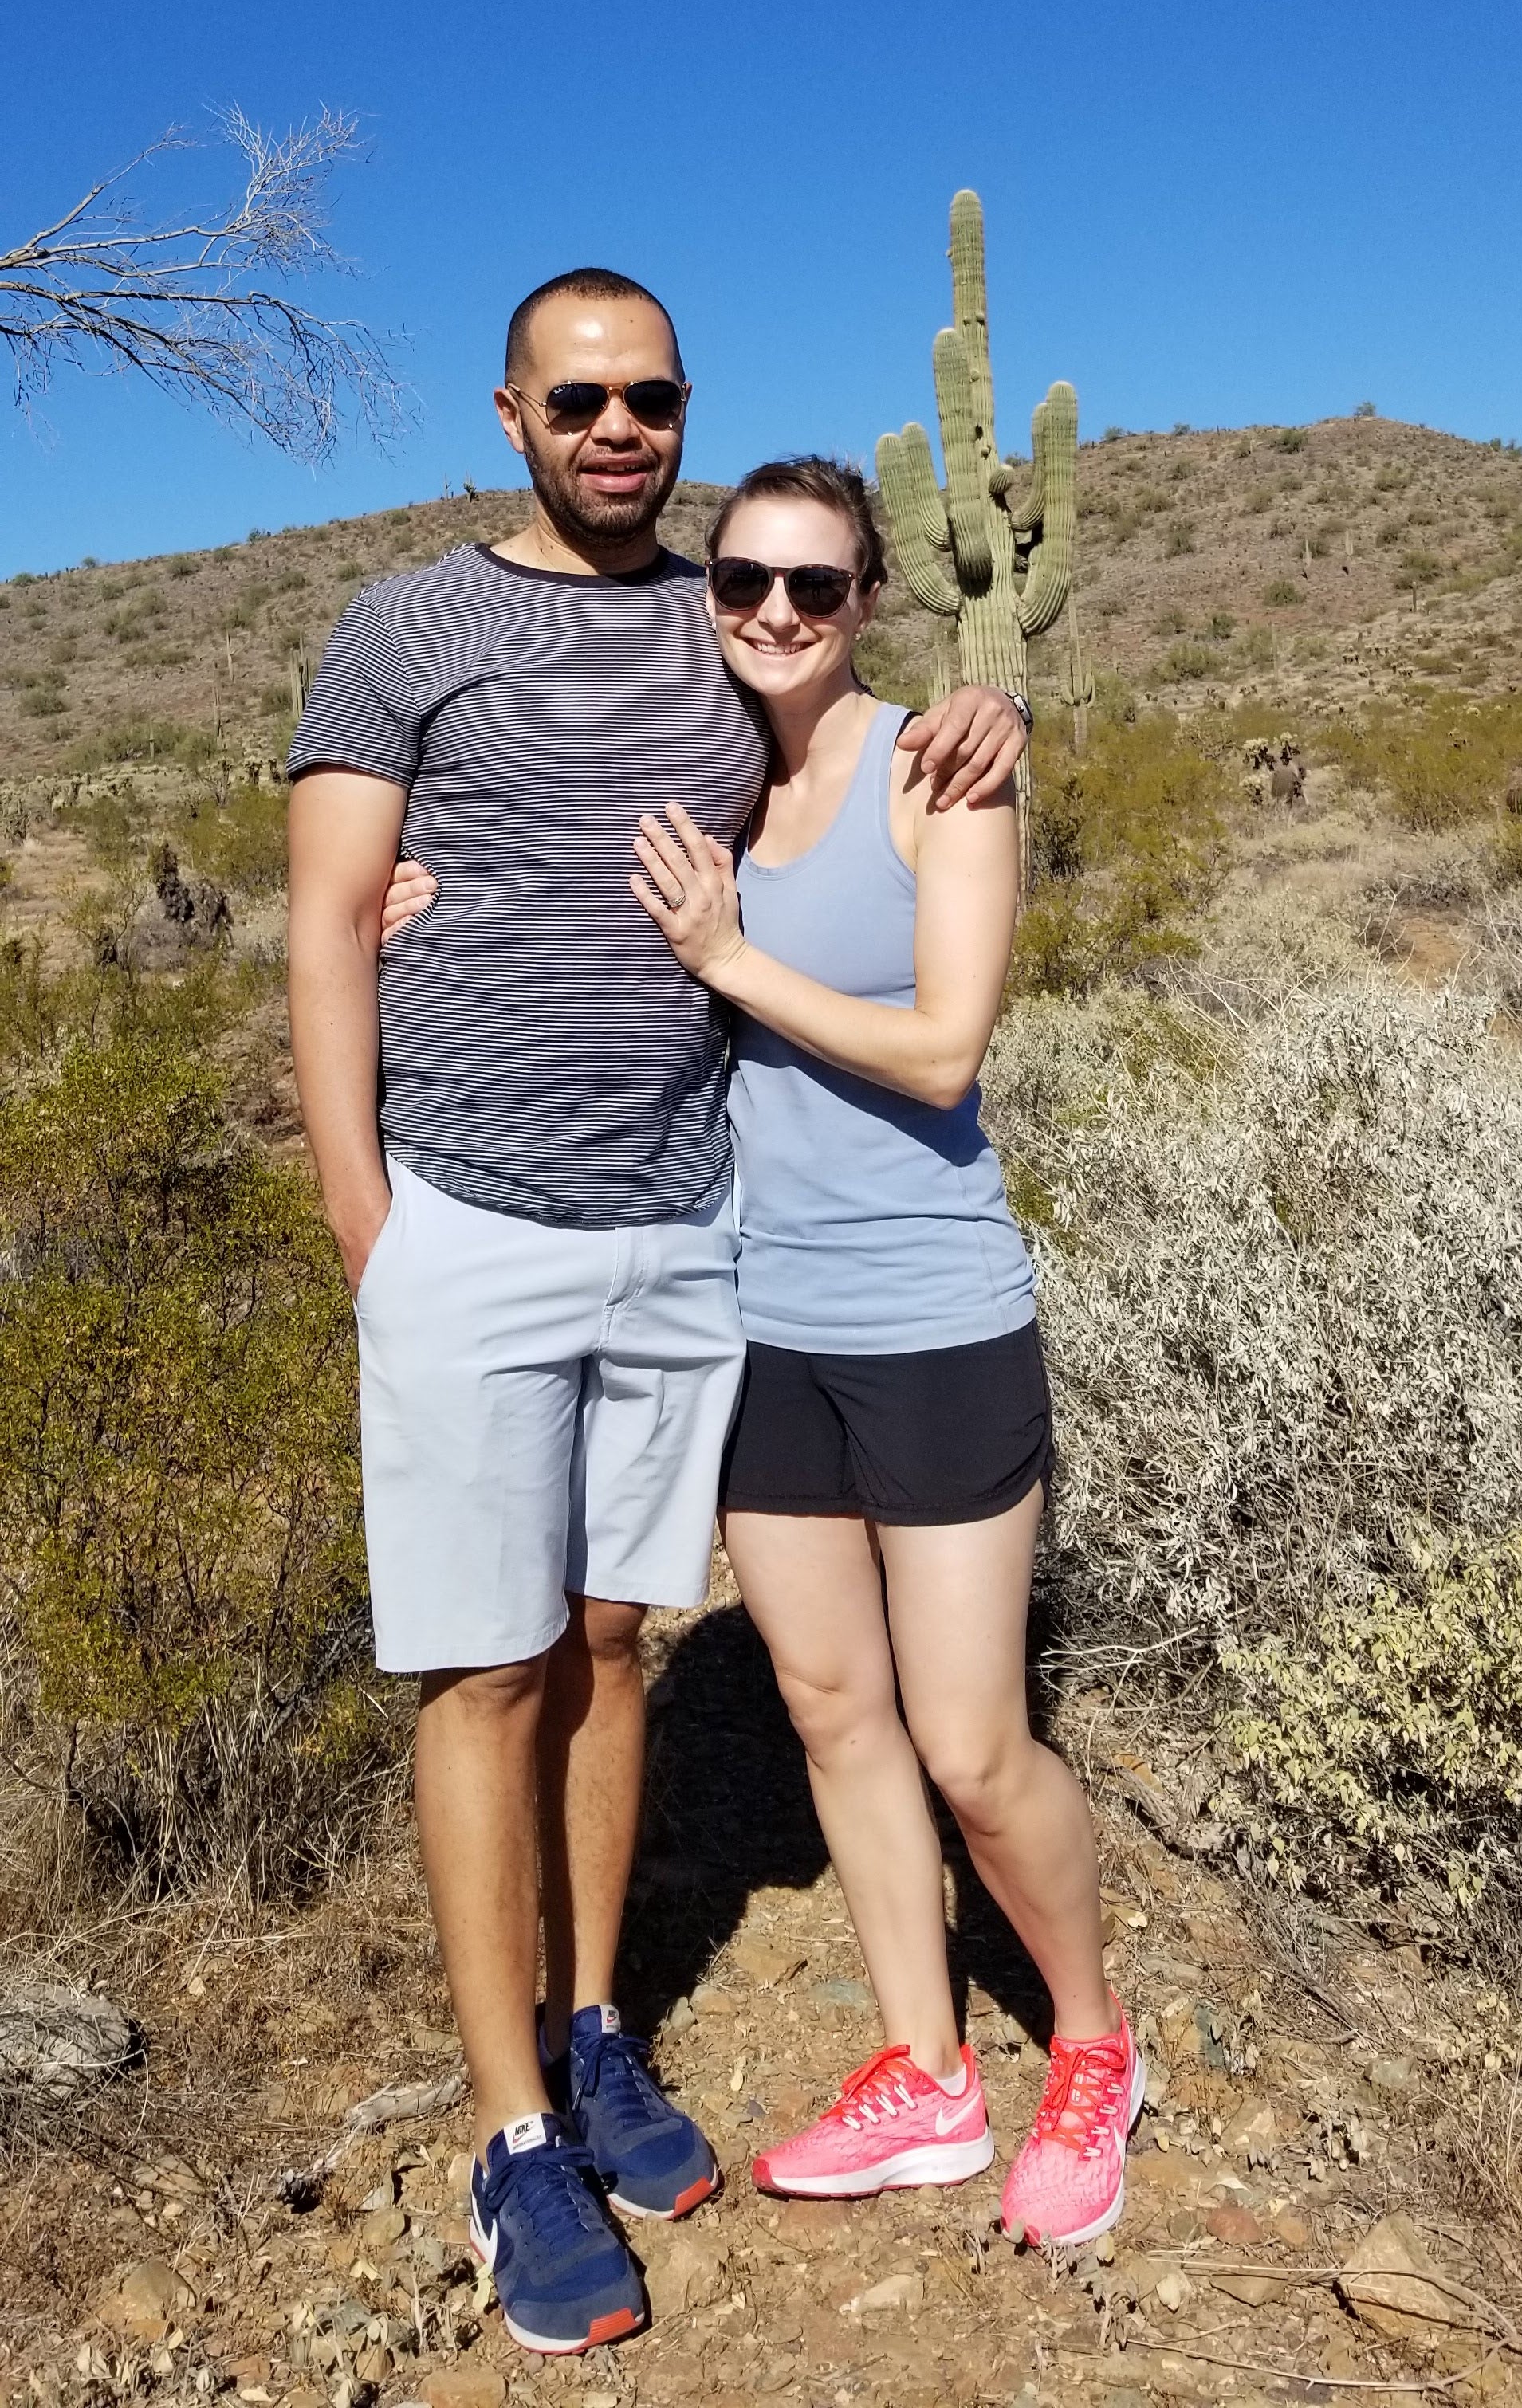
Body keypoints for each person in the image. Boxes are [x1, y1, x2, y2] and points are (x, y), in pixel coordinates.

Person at [287, 269, 1025, 2359]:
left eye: (655, 397)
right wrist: (373, 1228)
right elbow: (333, 923)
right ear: (513, 409)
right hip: (473, 1228)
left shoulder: (730, 620)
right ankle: (516, 2130)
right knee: (485, 1671)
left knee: (612, 1640)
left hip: (680, 1228)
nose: (622, 426)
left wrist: (998, 708)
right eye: (582, 395)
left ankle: (599, 2020)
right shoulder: (406, 626)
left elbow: (856, 737)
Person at [627, 454, 1141, 2249]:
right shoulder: (695, 774)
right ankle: (924, 2069)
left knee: (970, 1742)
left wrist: (728, 957)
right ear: (709, 589)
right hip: (752, 1323)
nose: (774, 612)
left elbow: (940, 1052)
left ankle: (1091, 2043)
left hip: (925, 1317)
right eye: (744, 579)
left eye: (815, 587)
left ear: (867, 602)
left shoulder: (939, 769)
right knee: (831, 1711)